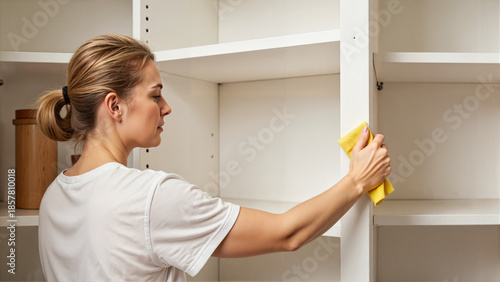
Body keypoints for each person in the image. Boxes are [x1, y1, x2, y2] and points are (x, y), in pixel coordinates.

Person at [36, 34, 391, 281]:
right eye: (155, 95)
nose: (167, 107)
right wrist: (356, 181)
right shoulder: (149, 198)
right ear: (115, 106)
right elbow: (288, 234)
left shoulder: (53, 196)